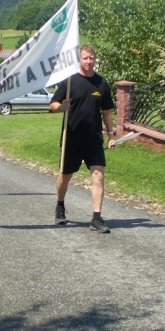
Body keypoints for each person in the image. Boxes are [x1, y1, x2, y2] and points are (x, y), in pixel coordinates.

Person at [49, 44, 116, 234]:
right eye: (85, 58)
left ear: (95, 59)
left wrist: (110, 135)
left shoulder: (101, 83)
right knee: (65, 176)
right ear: (79, 59)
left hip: (94, 138)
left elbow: (107, 111)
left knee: (98, 174)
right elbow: (52, 104)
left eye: (91, 58)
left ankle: (96, 217)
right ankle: (60, 205)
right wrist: (61, 107)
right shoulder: (69, 82)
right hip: (72, 138)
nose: (88, 61)